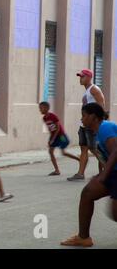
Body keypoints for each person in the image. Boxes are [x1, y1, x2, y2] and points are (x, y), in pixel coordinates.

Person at [61, 103, 117, 247]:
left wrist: (104, 176)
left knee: (116, 214)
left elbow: (115, 151)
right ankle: (83, 237)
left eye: (84, 115)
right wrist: (102, 174)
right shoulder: (97, 132)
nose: (81, 119)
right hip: (114, 173)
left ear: (93, 117)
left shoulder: (105, 128)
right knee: (87, 193)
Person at [68, 69, 106, 181]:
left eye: (83, 76)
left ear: (89, 77)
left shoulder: (94, 89)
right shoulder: (87, 91)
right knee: (84, 149)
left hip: (91, 125)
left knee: (94, 149)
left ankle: (109, 171)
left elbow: (101, 105)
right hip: (84, 124)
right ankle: (80, 174)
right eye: (80, 76)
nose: (80, 79)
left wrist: (97, 123)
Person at [39, 102, 80, 176]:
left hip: (61, 136)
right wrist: (50, 139)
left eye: (41, 108)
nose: (40, 110)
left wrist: (53, 138)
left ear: (47, 108)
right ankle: (57, 170)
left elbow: (58, 128)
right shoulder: (44, 118)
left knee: (63, 152)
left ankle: (79, 160)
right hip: (54, 136)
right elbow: (50, 129)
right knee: (51, 152)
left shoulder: (53, 116)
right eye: (39, 108)